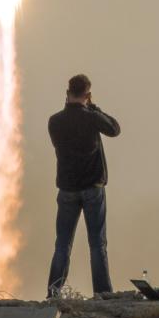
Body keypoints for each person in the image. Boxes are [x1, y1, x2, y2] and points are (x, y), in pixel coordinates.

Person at [45, 74, 121, 298]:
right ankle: (103, 293)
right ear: (87, 95)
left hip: (67, 188)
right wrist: (94, 108)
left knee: (62, 244)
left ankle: (53, 292)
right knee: (97, 244)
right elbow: (115, 129)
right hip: (92, 188)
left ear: (67, 93)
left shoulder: (55, 121)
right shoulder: (91, 118)